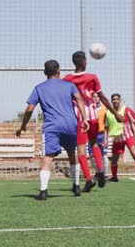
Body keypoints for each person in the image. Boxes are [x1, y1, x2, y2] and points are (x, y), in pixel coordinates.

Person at [16, 60, 89, 200]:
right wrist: (84, 119)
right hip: (70, 125)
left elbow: (29, 109)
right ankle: (76, 186)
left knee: (48, 156)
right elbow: (79, 99)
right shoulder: (69, 85)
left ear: (45, 73)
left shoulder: (39, 88)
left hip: (52, 127)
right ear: (59, 71)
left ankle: (43, 191)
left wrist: (23, 126)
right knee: (72, 154)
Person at [64, 51, 123, 193]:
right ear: (84, 62)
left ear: (74, 63)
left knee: (81, 150)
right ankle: (101, 170)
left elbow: (65, 99)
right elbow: (102, 97)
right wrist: (115, 113)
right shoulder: (92, 77)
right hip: (92, 115)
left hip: (79, 117)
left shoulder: (68, 79)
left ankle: (89, 179)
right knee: (94, 142)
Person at [105, 93, 135, 183]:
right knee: (114, 159)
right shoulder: (108, 112)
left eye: (117, 99)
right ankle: (114, 177)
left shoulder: (127, 110)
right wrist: (105, 139)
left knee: (134, 155)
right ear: (111, 101)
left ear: (120, 100)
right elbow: (106, 127)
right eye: (113, 99)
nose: (115, 101)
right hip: (117, 138)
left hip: (128, 137)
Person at [88, 92, 110, 181]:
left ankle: (105, 175)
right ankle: (98, 173)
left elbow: (106, 125)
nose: (95, 98)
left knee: (104, 154)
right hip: (92, 135)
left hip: (101, 134)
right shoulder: (89, 109)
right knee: (91, 155)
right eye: (94, 97)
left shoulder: (105, 109)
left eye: (97, 96)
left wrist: (105, 138)